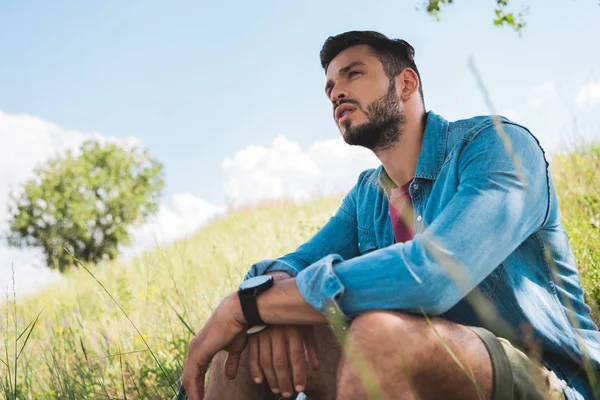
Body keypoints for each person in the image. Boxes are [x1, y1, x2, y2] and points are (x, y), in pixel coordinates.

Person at [179, 31, 600, 400]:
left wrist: (252, 306)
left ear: (406, 83)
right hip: (412, 365)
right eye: (329, 88)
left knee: (378, 334)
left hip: (547, 379)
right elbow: (295, 264)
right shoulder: (367, 194)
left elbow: (434, 276)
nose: (336, 93)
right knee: (242, 347)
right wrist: (261, 310)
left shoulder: (496, 146)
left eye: (353, 74)